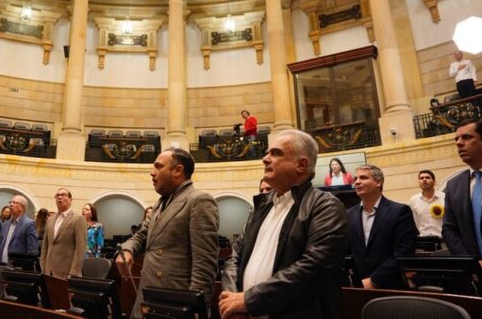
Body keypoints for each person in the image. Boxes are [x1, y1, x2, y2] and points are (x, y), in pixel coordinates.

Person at [219, 129, 348, 319]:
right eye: (267, 153)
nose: (265, 159)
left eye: (276, 153)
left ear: (301, 165)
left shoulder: (326, 206)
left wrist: (249, 300)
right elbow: (235, 255)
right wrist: (232, 300)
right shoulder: (261, 206)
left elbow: (314, 267)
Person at [117, 148, 219, 318]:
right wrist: (127, 250)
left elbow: (204, 266)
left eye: (158, 166)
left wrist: (194, 310)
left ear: (178, 170)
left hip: (176, 304)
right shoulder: (159, 203)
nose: (152, 172)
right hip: (147, 298)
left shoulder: (199, 200)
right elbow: (141, 236)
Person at [348, 164, 418, 289]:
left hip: (390, 285)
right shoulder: (348, 214)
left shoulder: (400, 211)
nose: (357, 182)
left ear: (378, 182)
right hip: (357, 286)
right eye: (355, 179)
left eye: (363, 178)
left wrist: (374, 280)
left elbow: (403, 252)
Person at [442, 120, 482, 288]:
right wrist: (470, 264)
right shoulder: (453, 185)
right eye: (456, 139)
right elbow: (449, 228)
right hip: (475, 279)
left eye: (466, 137)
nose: (459, 143)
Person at [40, 187, 87, 279]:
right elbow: (45, 246)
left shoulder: (78, 219)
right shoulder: (50, 220)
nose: (60, 197)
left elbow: (80, 249)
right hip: (48, 271)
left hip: (67, 273)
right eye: (57, 195)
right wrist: (43, 267)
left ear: (70, 199)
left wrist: (73, 273)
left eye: (63, 195)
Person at [0, 195, 38, 265]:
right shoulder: (6, 223)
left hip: (17, 266)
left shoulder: (29, 224)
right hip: (1, 265)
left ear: (22, 208)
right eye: (10, 202)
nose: (11, 204)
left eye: (15, 202)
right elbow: (0, 245)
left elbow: (32, 250)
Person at [408, 170, 445, 237]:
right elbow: (415, 221)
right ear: (419, 182)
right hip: (423, 239)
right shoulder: (414, 200)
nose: (424, 180)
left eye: (427, 177)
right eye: (421, 178)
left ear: (434, 182)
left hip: (443, 238)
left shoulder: (444, 197)